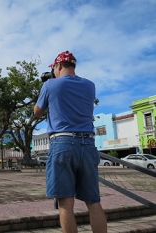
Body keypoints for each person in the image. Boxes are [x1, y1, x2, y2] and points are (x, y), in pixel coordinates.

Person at [33, 51, 107, 233]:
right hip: (88, 144)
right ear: (73, 66)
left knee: (65, 203)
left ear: (58, 66)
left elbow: (37, 112)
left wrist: (45, 87)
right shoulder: (90, 85)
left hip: (63, 144)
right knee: (93, 201)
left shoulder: (50, 85)